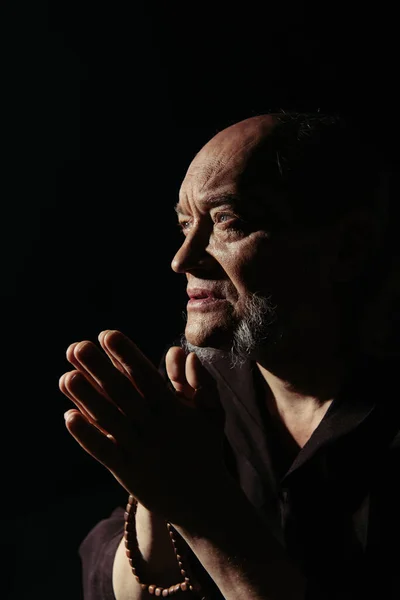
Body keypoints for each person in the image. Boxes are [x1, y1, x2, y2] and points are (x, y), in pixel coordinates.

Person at [59, 112, 400, 600]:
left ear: (349, 247)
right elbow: (121, 587)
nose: (183, 258)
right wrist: (155, 495)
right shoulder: (202, 383)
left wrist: (201, 507)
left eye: (227, 222)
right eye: (184, 224)